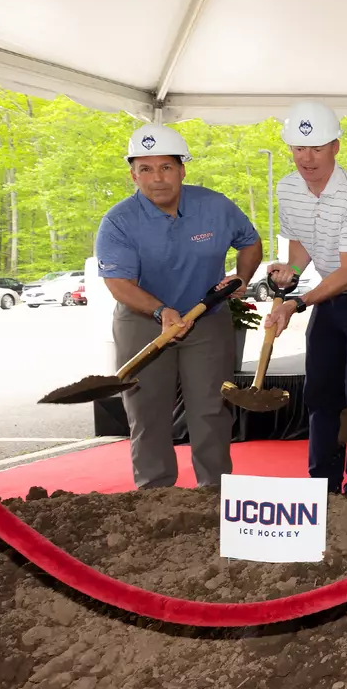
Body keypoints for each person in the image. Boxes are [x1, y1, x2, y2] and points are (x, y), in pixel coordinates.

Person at [95, 124, 261, 489]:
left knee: (212, 410)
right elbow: (118, 283)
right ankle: (155, 496)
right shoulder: (118, 222)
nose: (157, 178)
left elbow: (249, 241)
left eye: (166, 167)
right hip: (144, 322)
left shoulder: (214, 206)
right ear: (133, 174)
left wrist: (242, 277)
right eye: (146, 169)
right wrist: (160, 312)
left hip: (207, 319)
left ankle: (216, 494)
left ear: (182, 169)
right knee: (147, 413)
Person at [265, 101, 347, 496]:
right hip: (329, 292)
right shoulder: (287, 187)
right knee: (321, 391)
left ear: (335, 148)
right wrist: (290, 270)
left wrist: (298, 303)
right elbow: (303, 243)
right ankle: (321, 484)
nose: (306, 158)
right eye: (298, 148)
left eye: (317, 148)